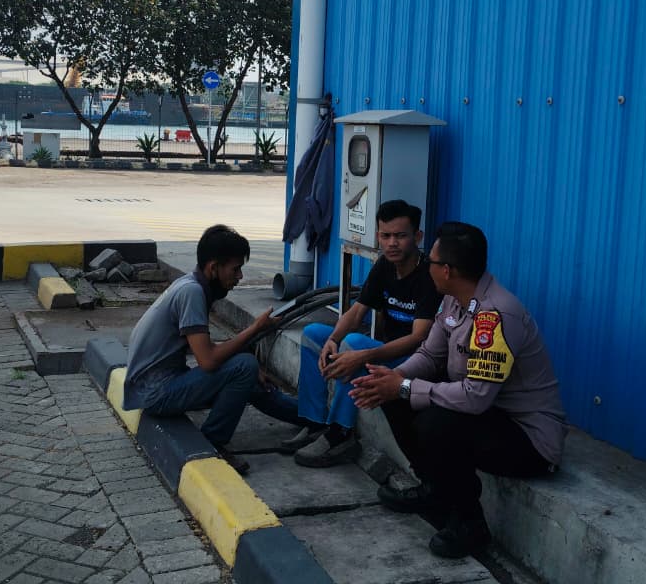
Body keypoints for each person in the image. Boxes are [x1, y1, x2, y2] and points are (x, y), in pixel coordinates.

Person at [350, 221, 566, 559]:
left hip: (527, 438)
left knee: (435, 422)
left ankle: (470, 523)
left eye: (431, 261)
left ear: (447, 270)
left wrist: (404, 386)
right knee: (394, 397)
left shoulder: (496, 315)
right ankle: (434, 490)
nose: (427, 265)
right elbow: (429, 355)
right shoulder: (454, 300)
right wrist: (395, 378)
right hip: (489, 415)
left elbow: (475, 398)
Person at [123, 224, 302, 474]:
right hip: (155, 393)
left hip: (156, 386)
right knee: (245, 366)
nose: (240, 277)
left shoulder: (192, 285)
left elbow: (205, 349)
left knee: (249, 374)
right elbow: (207, 360)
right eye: (235, 269)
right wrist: (255, 328)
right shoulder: (192, 292)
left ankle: (313, 418)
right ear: (213, 267)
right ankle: (213, 442)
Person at [283, 200, 442, 468]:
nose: (392, 243)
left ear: (417, 237)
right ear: (378, 236)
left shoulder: (428, 275)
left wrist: (362, 354)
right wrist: (333, 340)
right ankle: (314, 422)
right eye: (386, 236)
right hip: (386, 351)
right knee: (313, 334)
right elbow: (357, 311)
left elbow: (418, 338)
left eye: (400, 236)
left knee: (355, 344)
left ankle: (340, 434)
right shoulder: (384, 266)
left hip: (415, 360)